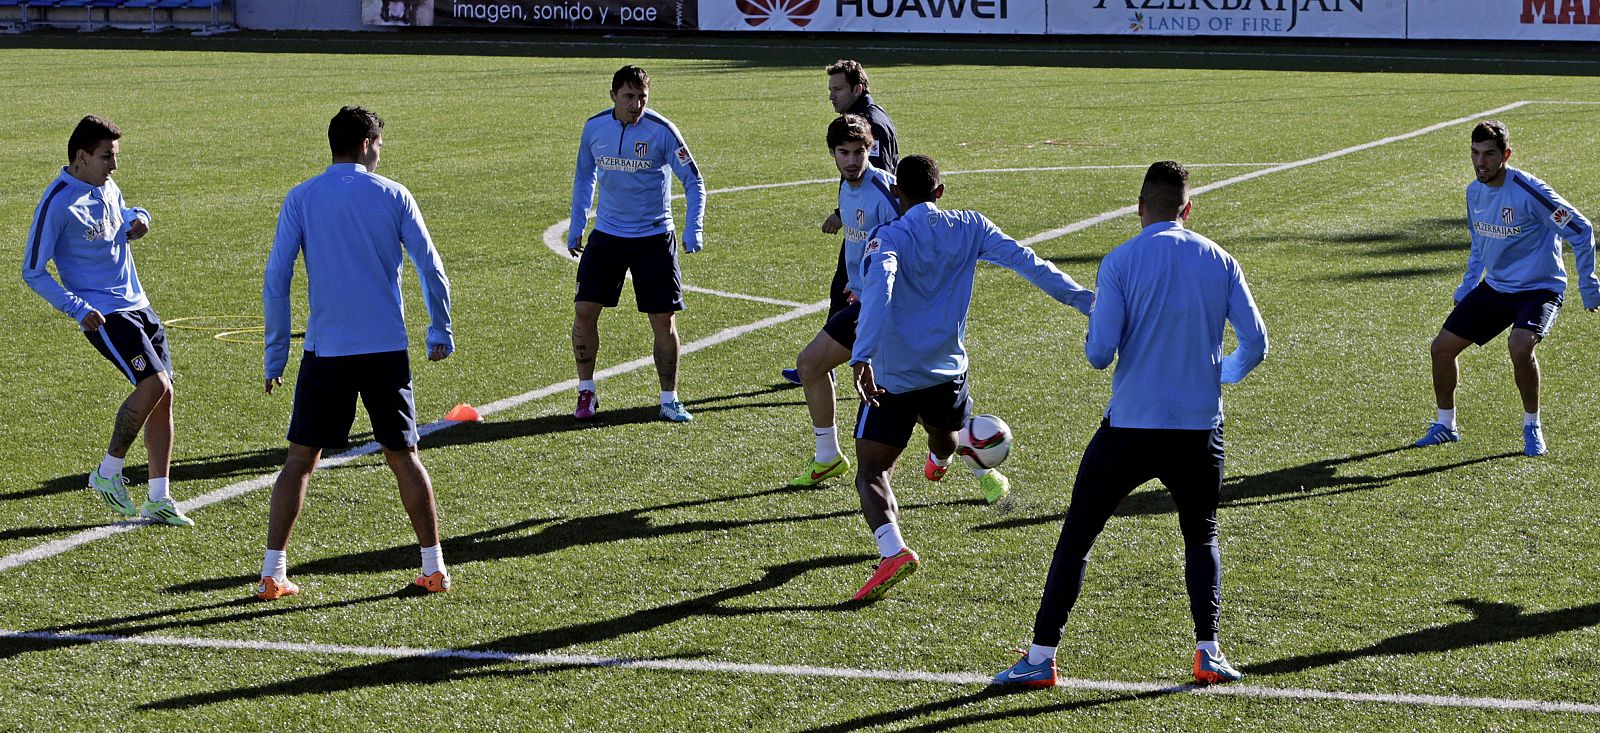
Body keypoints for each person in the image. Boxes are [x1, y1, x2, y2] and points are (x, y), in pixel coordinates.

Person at [993, 161, 1268, 689]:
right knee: (1201, 536)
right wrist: (1219, 374)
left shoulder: (1119, 261)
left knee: (1078, 537)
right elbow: (1255, 344)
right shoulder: (1221, 260)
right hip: (1198, 429)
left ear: (1139, 207)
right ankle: (1208, 652)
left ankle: (1042, 657)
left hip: (1130, 429)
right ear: (1187, 209)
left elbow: (1099, 355)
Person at [848, 155, 1093, 602]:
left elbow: (880, 289)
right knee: (942, 432)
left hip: (894, 377)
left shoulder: (889, 236)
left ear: (896, 193)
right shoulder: (970, 225)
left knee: (872, 471)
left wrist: (861, 354)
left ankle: (893, 550)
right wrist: (1087, 303)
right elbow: (1030, 263)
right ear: (940, 192)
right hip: (947, 372)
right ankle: (940, 460)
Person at [258, 106, 455, 600]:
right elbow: (431, 266)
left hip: (326, 351)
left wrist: (275, 354)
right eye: (379, 145)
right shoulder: (393, 195)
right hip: (385, 349)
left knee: (300, 460)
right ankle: (433, 567)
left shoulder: (302, 197)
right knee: (404, 458)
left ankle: (272, 572)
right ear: (366, 144)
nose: (380, 154)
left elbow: (277, 277)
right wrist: (440, 329)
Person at [22, 115, 192, 527]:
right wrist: (77, 308)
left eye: (115, 156)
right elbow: (32, 270)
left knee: (164, 395)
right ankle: (108, 471)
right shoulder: (58, 202)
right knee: (154, 384)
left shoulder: (106, 185)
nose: (113, 166)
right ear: (81, 157)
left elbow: (122, 212)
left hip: (139, 303)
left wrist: (141, 217)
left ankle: (159, 497)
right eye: (106, 157)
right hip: (104, 312)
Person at [1413, 120, 1596, 457]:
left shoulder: (1530, 192)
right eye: (1475, 153)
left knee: (1520, 346)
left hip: (1540, 288)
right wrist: (1467, 286)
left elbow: (1580, 230)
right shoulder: (1474, 192)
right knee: (1441, 349)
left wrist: (1589, 285)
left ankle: (1532, 427)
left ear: (1505, 155)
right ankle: (1445, 425)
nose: (1480, 162)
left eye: (1488, 154)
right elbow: (1478, 244)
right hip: (1497, 288)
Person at [568, 65, 706, 422]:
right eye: (629, 96)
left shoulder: (662, 131)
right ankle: (586, 392)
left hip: (654, 237)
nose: (636, 104)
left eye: (642, 97)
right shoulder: (594, 127)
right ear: (613, 95)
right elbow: (585, 175)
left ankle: (669, 399)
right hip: (608, 234)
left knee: (663, 319)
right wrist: (577, 224)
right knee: (584, 311)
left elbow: (694, 181)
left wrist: (693, 229)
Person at [785, 115, 900, 489]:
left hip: (889, 307)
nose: (851, 161)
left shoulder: (885, 190)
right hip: (862, 301)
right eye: (843, 152)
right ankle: (827, 456)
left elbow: (912, 240)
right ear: (832, 153)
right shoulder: (846, 187)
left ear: (870, 149)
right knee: (810, 365)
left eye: (858, 152)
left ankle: (980, 461)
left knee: (908, 396)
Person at [782, 59, 900, 386]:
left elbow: (878, 185)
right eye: (842, 153)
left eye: (838, 89)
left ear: (857, 88)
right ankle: (829, 364)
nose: (831, 96)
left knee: (895, 381)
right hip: (863, 252)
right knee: (842, 296)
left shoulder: (869, 125)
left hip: (878, 264)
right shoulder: (863, 125)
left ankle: (836, 364)